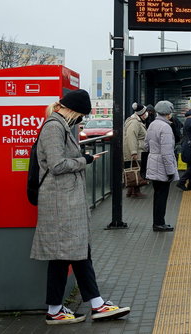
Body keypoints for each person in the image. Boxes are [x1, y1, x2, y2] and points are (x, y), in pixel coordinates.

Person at [30, 89, 130, 325]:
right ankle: (91, 305)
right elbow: (56, 164)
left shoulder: (58, 125)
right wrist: (84, 160)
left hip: (63, 199)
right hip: (59, 201)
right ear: (72, 110)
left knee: (68, 254)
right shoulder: (54, 127)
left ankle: (66, 307)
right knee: (74, 252)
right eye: (80, 115)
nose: (80, 120)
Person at [145, 100, 179, 232]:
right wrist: (171, 171)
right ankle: (159, 223)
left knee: (157, 194)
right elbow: (166, 152)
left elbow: (146, 145)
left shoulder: (153, 124)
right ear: (168, 113)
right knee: (162, 196)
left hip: (153, 161)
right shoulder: (165, 127)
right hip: (162, 166)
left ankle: (158, 222)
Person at [123, 102, 148, 197]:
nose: (146, 114)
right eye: (145, 112)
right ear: (142, 113)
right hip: (136, 150)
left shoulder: (136, 121)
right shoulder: (134, 122)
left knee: (132, 169)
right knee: (136, 170)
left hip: (137, 149)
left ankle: (130, 190)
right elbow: (131, 137)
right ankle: (136, 191)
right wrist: (133, 152)